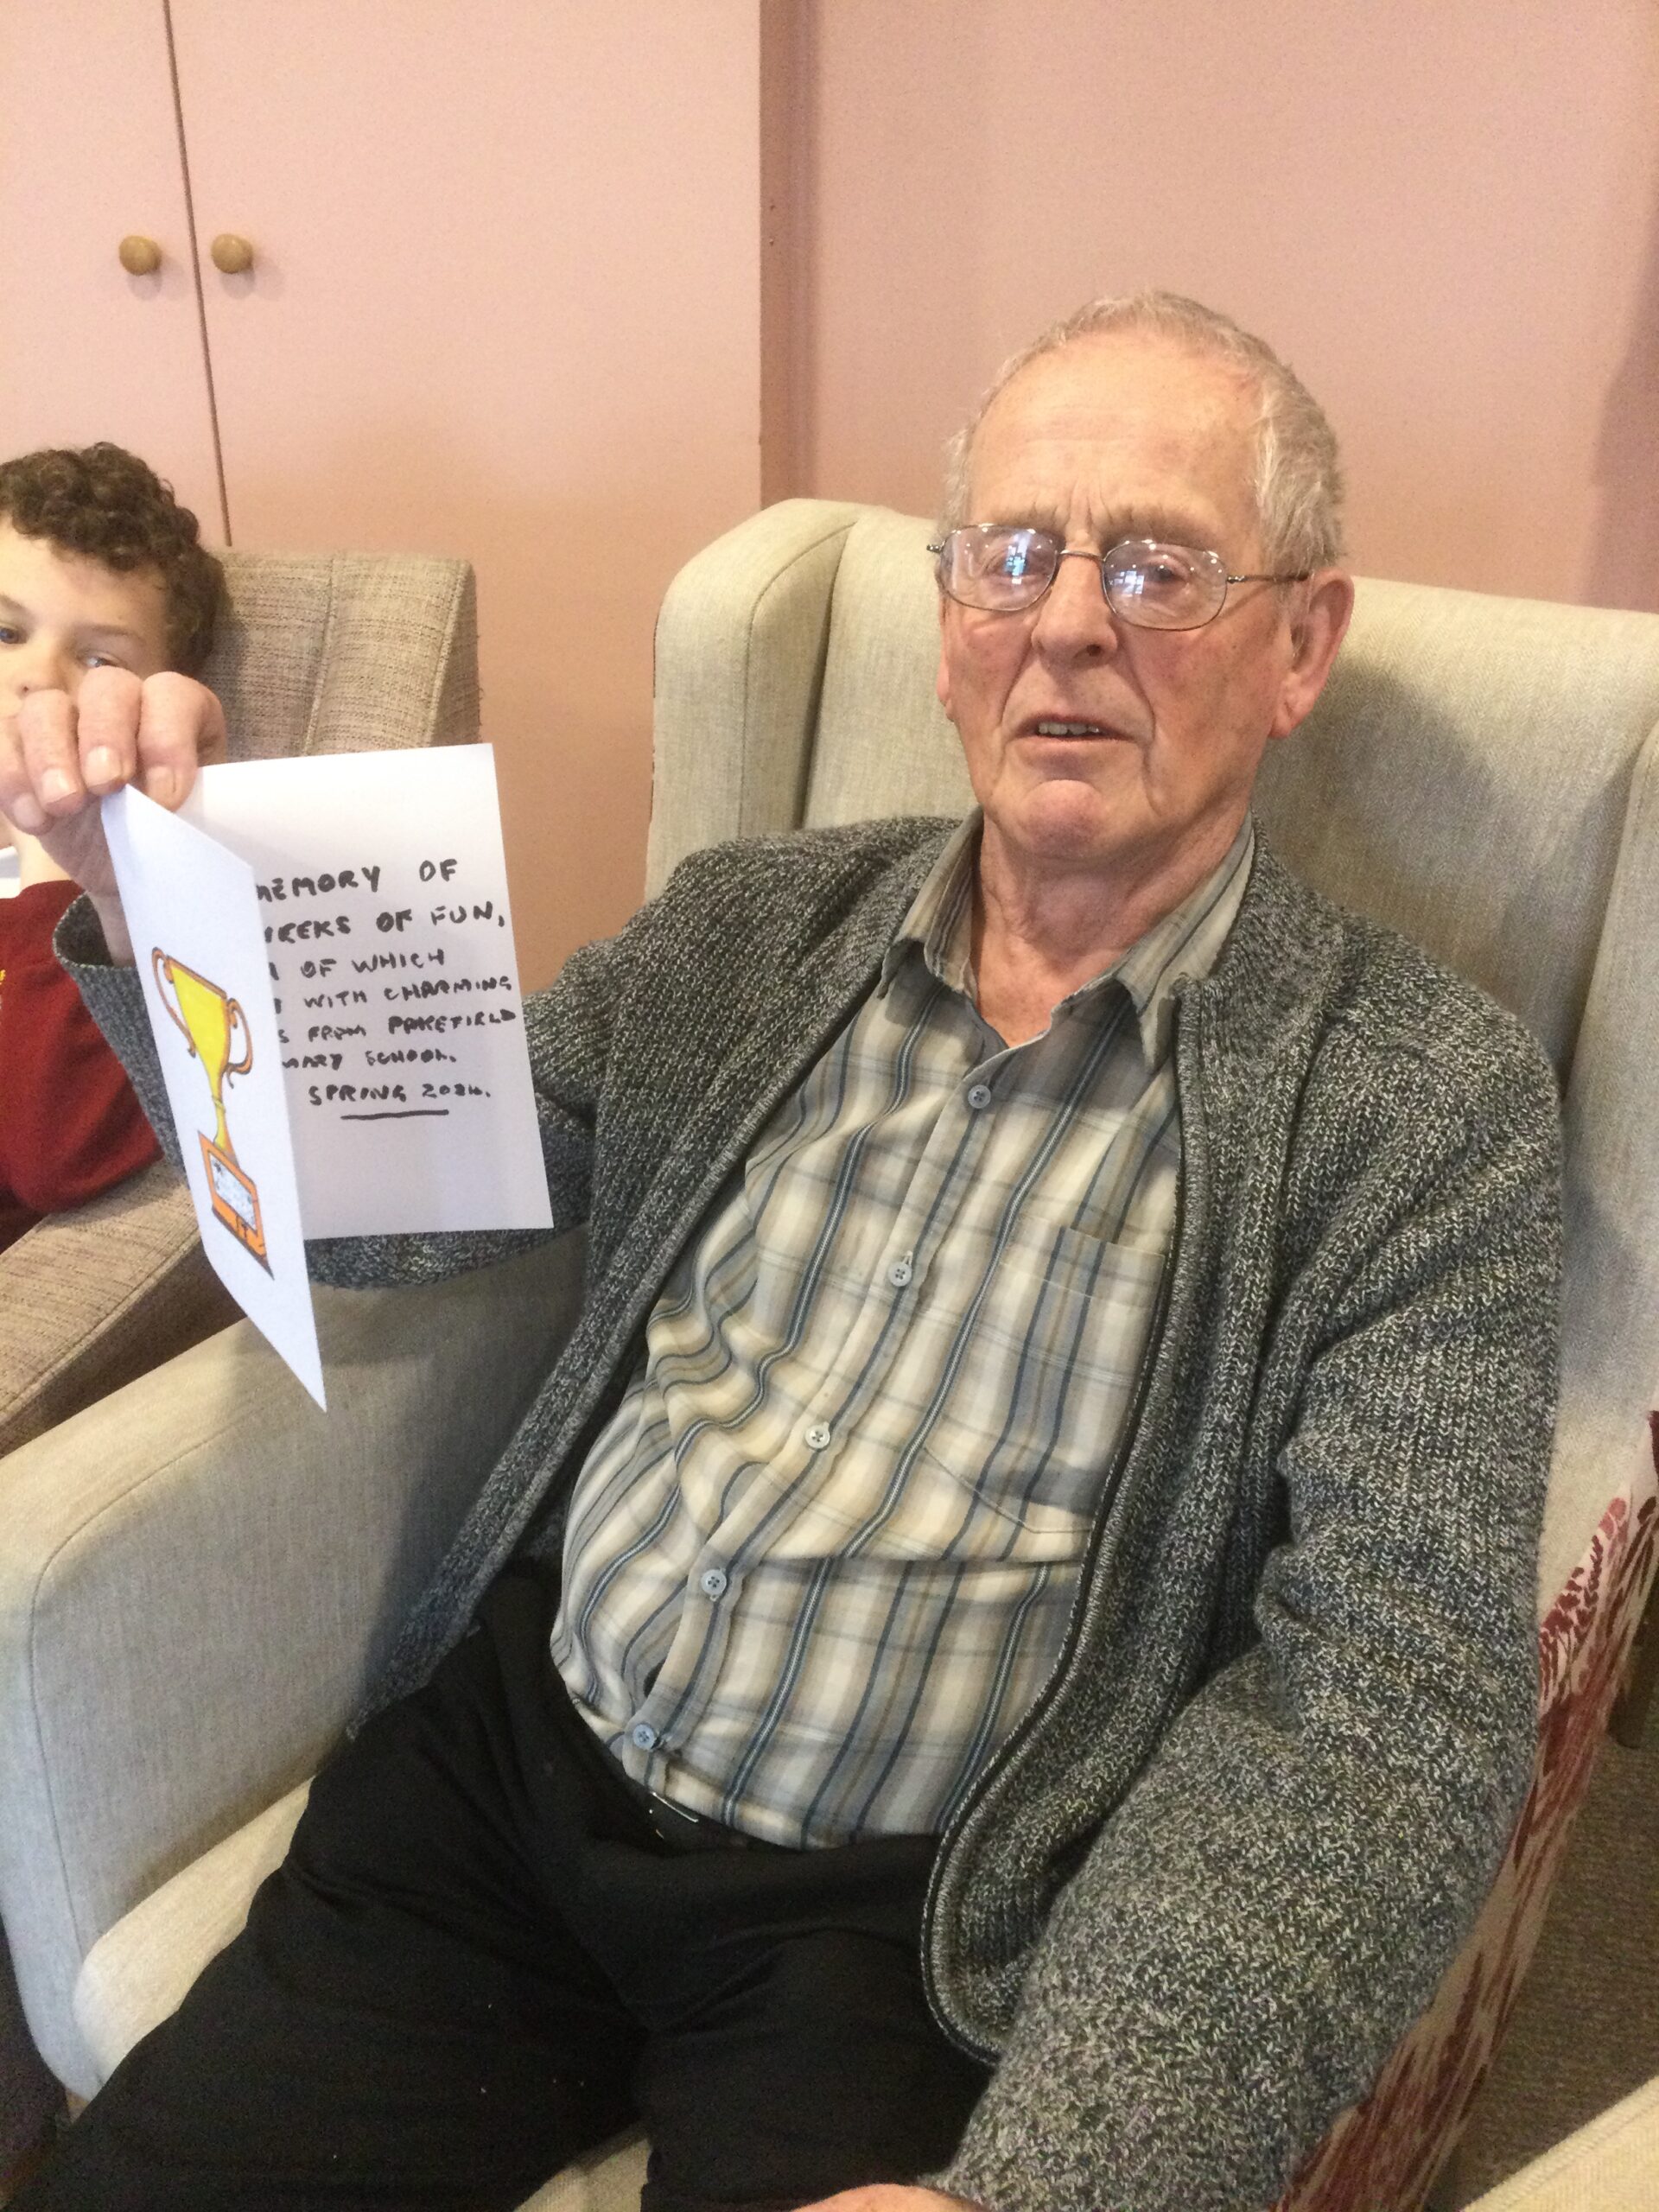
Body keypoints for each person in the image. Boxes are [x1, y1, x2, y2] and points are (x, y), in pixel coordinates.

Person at [0, 294, 1560, 2212]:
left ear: (1301, 640)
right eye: (1012, 554)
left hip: (895, 1919)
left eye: (1158, 564)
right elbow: (410, 1201)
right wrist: (156, 888)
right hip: (507, 1774)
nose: (1067, 617)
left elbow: (1383, 1709)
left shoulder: (1418, 1103)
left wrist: (1058, 2181)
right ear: (950, 622)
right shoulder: (747, 926)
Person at [0, 443, 224, 1249]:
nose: (35, 677)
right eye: (4, 630)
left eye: (97, 658)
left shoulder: (118, 905)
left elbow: (56, 1158)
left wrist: (54, 863)